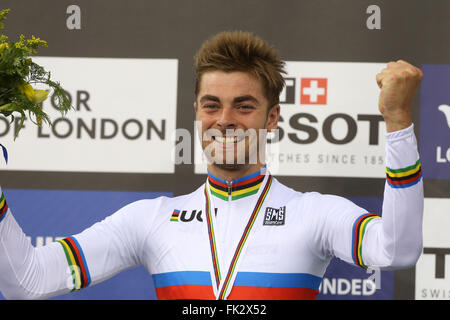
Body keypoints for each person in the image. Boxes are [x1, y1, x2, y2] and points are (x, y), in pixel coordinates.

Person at [0, 31, 423, 300]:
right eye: (212, 105)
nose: (224, 120)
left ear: (272, 117)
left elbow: (398, 249)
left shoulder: (315, 213)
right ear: (196, 113)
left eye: (244, 106)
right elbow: (29, 280)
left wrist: (398, 123)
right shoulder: (151, 220)